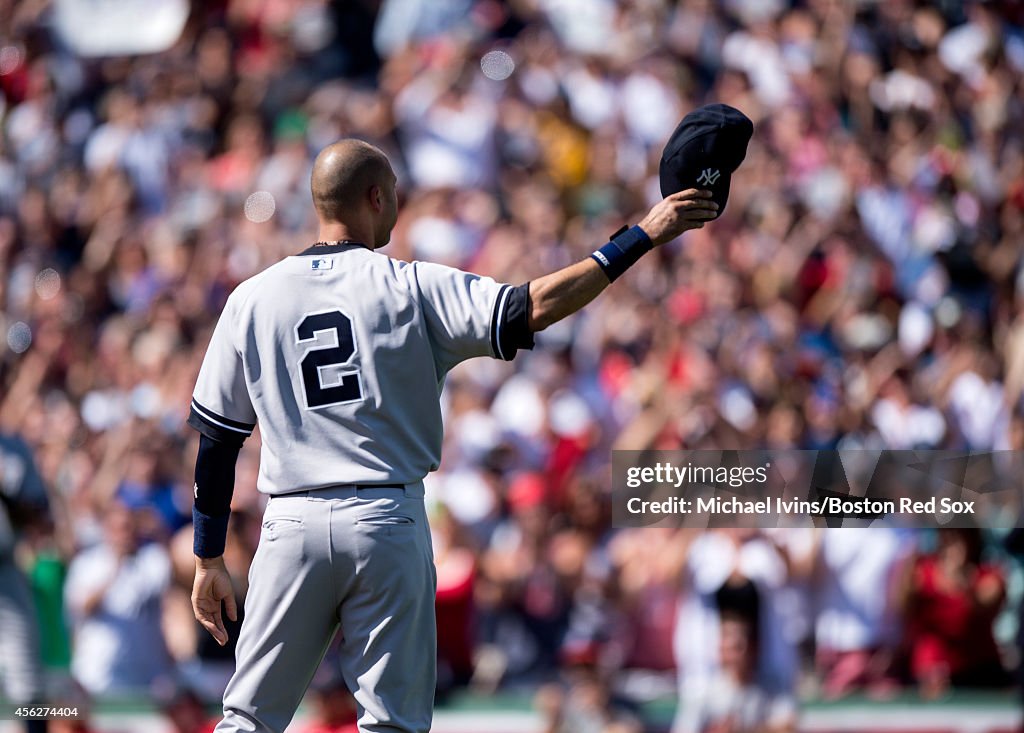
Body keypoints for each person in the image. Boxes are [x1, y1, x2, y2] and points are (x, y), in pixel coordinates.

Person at [187, 138, 719, 733]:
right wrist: (641, 235)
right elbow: (533, 306)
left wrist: (208, 556)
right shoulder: (409, 285)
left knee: (247, 721)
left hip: (290, 524)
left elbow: (217, 440)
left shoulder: (251, 298)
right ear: (376, 197)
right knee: (392, 724)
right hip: (385, 518)